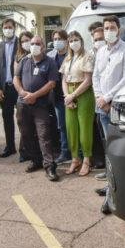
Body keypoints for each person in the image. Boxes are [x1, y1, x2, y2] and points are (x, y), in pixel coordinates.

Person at [92, 15, 125, 214]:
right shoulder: (101, 51)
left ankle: (113, 197)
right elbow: (96, 76)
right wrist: (98, 97)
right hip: (102, 107)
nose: (109, 30)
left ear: (119, 29)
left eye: (112, 27)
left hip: (118, 107)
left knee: (117, 151)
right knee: (108, 151)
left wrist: (108, 97)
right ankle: (110, 186)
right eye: (106, 27)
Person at [14, 35, 60, 182]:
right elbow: (16, 78)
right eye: (32, 43)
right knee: (26, 133)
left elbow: (52, 83)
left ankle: (49, 166)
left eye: (37, 43)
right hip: (23, 104)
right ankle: (35, 160)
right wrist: (22, 92)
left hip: (41, 105)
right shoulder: (25, 60)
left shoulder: (50, 62)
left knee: (44, 135)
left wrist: (35, 95)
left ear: (43, 46)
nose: (34, 45)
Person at [60, 31, 95, 176]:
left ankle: (87, 159)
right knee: (71, 128)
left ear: (81, 40)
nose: (73, 42)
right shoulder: (68, 58)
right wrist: (67, 96)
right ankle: (75, 159)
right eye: (71, 40)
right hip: (69, 93)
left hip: (83, 93)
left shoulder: (87, 56)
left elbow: (88, 80)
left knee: (85, 128)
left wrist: (74, 95)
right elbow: (63, 79)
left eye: (76, 39)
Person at [0, 18, 18, 158]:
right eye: (5, 27)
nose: (8, 29)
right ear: (2, 28)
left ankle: (27, 148)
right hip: (5, 88)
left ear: (14, 28)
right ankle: (10, 147)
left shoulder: (22, 43)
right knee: (7, 118)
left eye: (10, 27)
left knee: (23, 118)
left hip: (19, 87)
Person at [47, 29, 71, 164]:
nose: (57, 41)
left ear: (66, 40)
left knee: (73, 125)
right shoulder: (51, 56)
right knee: (61, 125)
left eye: (60, 39)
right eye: (55, 39)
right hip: (56, 96)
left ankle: (77, 152)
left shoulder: (72, 55)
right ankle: (64, 151)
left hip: (71, 95)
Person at [88, 22, 106, 170]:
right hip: (95, 99)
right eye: (95, 39)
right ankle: (100, 160)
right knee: (97, 131)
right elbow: (93, 77)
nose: (98, 42)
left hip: (110, 100)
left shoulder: (118, 52)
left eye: (101, 38)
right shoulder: (90, 54)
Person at [14, 31, 34, 163]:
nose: (25, 43)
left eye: (28, 40)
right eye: (23, 41)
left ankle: (34, 152)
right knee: (23, 125)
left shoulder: (37, 55)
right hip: (22, 96)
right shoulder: (18, 57)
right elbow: (16, 77)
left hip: (36, 95)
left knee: (34, 125)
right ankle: (23, 151)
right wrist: (22, 92)